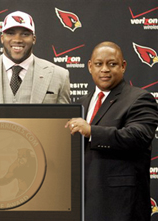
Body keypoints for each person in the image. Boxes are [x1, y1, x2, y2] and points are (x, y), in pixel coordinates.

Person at [65, 41, 158, 221]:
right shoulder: (80, 104)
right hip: (82, 204)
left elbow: (138, 137)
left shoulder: (140, 99)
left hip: (120, 206)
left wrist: (92, 131)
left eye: (112, 64)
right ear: (90, 67)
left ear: (123, 66)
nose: (105, 69)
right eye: (99, 64)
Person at [0, 11, 70, 103]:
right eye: (10, 33)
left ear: (34, 39)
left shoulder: (59, 75)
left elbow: (63, 123)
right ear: (2, 38)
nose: (17, 39)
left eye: (25, 34)